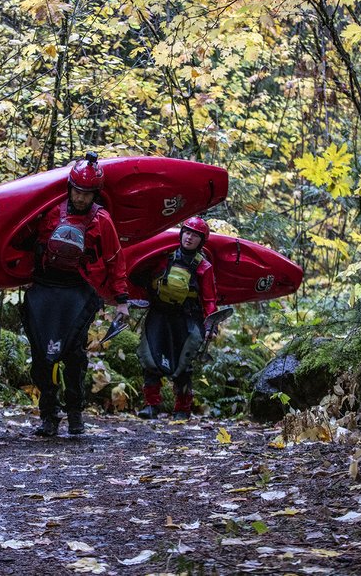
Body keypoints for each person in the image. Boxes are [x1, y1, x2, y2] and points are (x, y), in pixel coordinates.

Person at [19, 152, 130, 437]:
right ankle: (48, 415)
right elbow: (25, 243)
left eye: (87, 194)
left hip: (78, 292)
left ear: (95, 194)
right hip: (44, 288)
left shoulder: (102, 220)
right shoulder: (51, 211)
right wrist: (20, 278)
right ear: (69, 188)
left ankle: (75, 414)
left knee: (73, 355)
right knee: (42, 355)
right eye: (77, 192)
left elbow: (115, 260)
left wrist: (121, 301)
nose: (81, 199)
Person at [134, 216, 218, 420]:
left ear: (201, 241)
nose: (189, 238)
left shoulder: (203, 267)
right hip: (159, 314)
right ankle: (151, 405)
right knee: (150, 358)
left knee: (184, 365)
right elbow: (144, 277)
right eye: (187, 233)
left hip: (186, 318)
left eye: (195, 235)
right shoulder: (163, 257)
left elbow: (209, 299)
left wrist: (211, 325)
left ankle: (182, 408)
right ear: (181, 234)